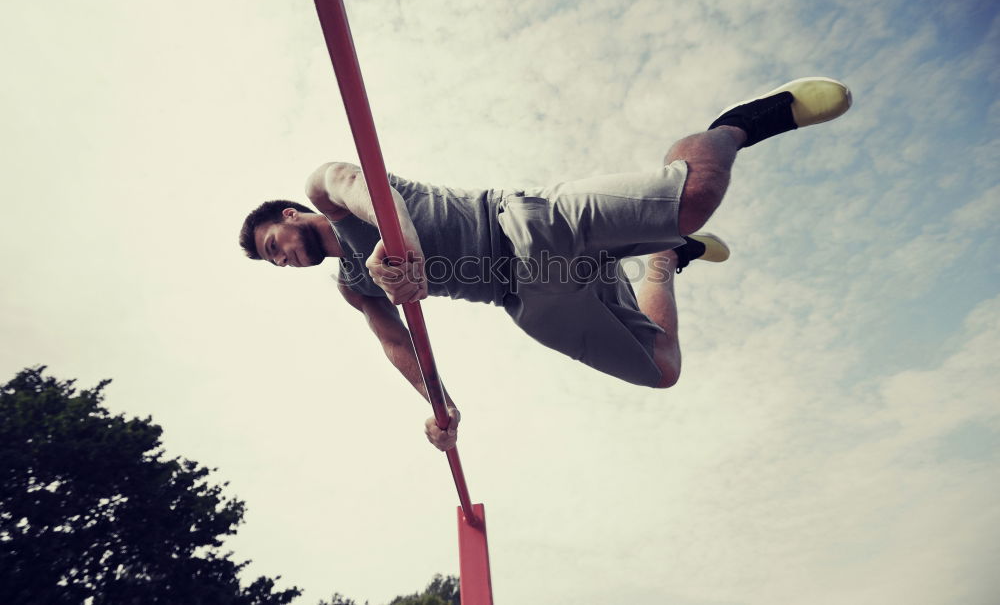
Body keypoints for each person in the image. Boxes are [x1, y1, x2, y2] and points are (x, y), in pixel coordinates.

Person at [239, 78, 852, 451]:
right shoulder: (352, 285)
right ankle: (662, 261)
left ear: (291, 215)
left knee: (692, 198)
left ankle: (735, 127)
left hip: (520, 223)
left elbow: (360, 186)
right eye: (276, 264)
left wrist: (400, 245)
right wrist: (438, 403)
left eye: (276, 246)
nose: (285, 260)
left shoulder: (322, 189)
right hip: (530, 298)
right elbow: (396, 342)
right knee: (661, 368)